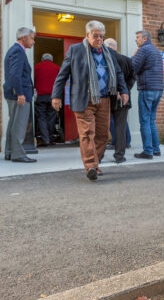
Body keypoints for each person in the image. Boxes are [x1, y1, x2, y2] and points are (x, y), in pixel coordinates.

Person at [51, 21, 129, 181]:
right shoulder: (76, 50)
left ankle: (96, 161)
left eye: (101, 36)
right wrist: (56, 95)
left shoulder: (108, 52)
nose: (99, 39)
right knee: (87, 133)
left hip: (105, 98)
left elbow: (118, 72)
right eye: (95, 36)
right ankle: (90, 166)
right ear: (87, 35)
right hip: (84, 98)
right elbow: (62, 74)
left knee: (102, 135)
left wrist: (124, 90)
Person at [3, 27, 37, 163]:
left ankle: (10, 152)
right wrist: (20, 93)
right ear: (24, 38)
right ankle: (18, 154)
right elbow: (15, 74)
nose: (33, 41)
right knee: (19, 125)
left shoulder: (14, 50)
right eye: (32, 38)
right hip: (19, 94)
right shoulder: (18, 51)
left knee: (13, 123)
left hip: (13, 93)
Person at [132, 30, 164, 159]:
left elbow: (133, 67)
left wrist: (134, 55)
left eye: (138, 37)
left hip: (147, 89)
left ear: (145, 39)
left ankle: (148, 151)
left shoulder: (143, 50)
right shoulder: (156, 50)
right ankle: (156, 149)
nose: (136, 40)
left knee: (145, 121)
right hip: (158, 89)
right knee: (151, 120)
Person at [104, 38, 134, 163]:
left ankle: (99, 156)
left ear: (107, 46)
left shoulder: (104, 58)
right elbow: (133, 77)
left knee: (102, 125)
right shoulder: (127, 60)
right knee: (121, 126)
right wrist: (125, 90)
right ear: (115, 47)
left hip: (106, 96)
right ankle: (120, 155)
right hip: (123, 97)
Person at [34, 53, 60, 146]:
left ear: (42, 59)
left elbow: (33, 80)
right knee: (51, 117)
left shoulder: (37, 67)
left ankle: (45, 139)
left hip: (41, 96)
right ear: (51, 59)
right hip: (54, 96)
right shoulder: (57, 68)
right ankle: (50, 137)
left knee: (41, 117)